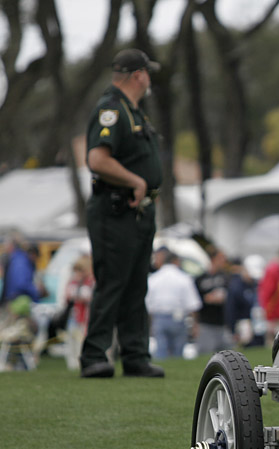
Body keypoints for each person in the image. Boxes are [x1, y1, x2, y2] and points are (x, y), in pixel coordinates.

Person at [79, 48, 164, 379]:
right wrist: (135, 180)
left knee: (135, 284)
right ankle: (94, 355)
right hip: (115, 208)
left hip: (137, 211)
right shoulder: (112, 109)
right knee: (113, 280)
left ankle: (134, 355)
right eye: (148, 72)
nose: (150, 78)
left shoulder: (133, 112)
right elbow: (97, 159)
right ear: (138, 75)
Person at [145, 248, 202, 359]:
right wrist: (195, 325)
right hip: (178, 318)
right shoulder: (184, 278)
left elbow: (148, 305)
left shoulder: (153, 278)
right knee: (178, 352)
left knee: (161, 351)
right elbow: (193, 305)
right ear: (175, 261)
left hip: (159, 318)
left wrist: (150, 324)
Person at [194, 247, 231, 355]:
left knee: (228, 356)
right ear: (213, 259)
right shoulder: (201, 278)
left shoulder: (225, 277)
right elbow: (195, 302)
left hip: (222, 324)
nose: (223, 261)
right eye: (221, 258)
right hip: (206, 323)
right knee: (205, 355)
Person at [63, 256, 95, 370]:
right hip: (74, 316)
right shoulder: (73, 282)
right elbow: (68, 295)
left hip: (85, 317)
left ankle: (82, 361)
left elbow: (87, 296)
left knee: (81, 340)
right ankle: (73, 363)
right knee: (72, 339)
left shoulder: (90, 281)